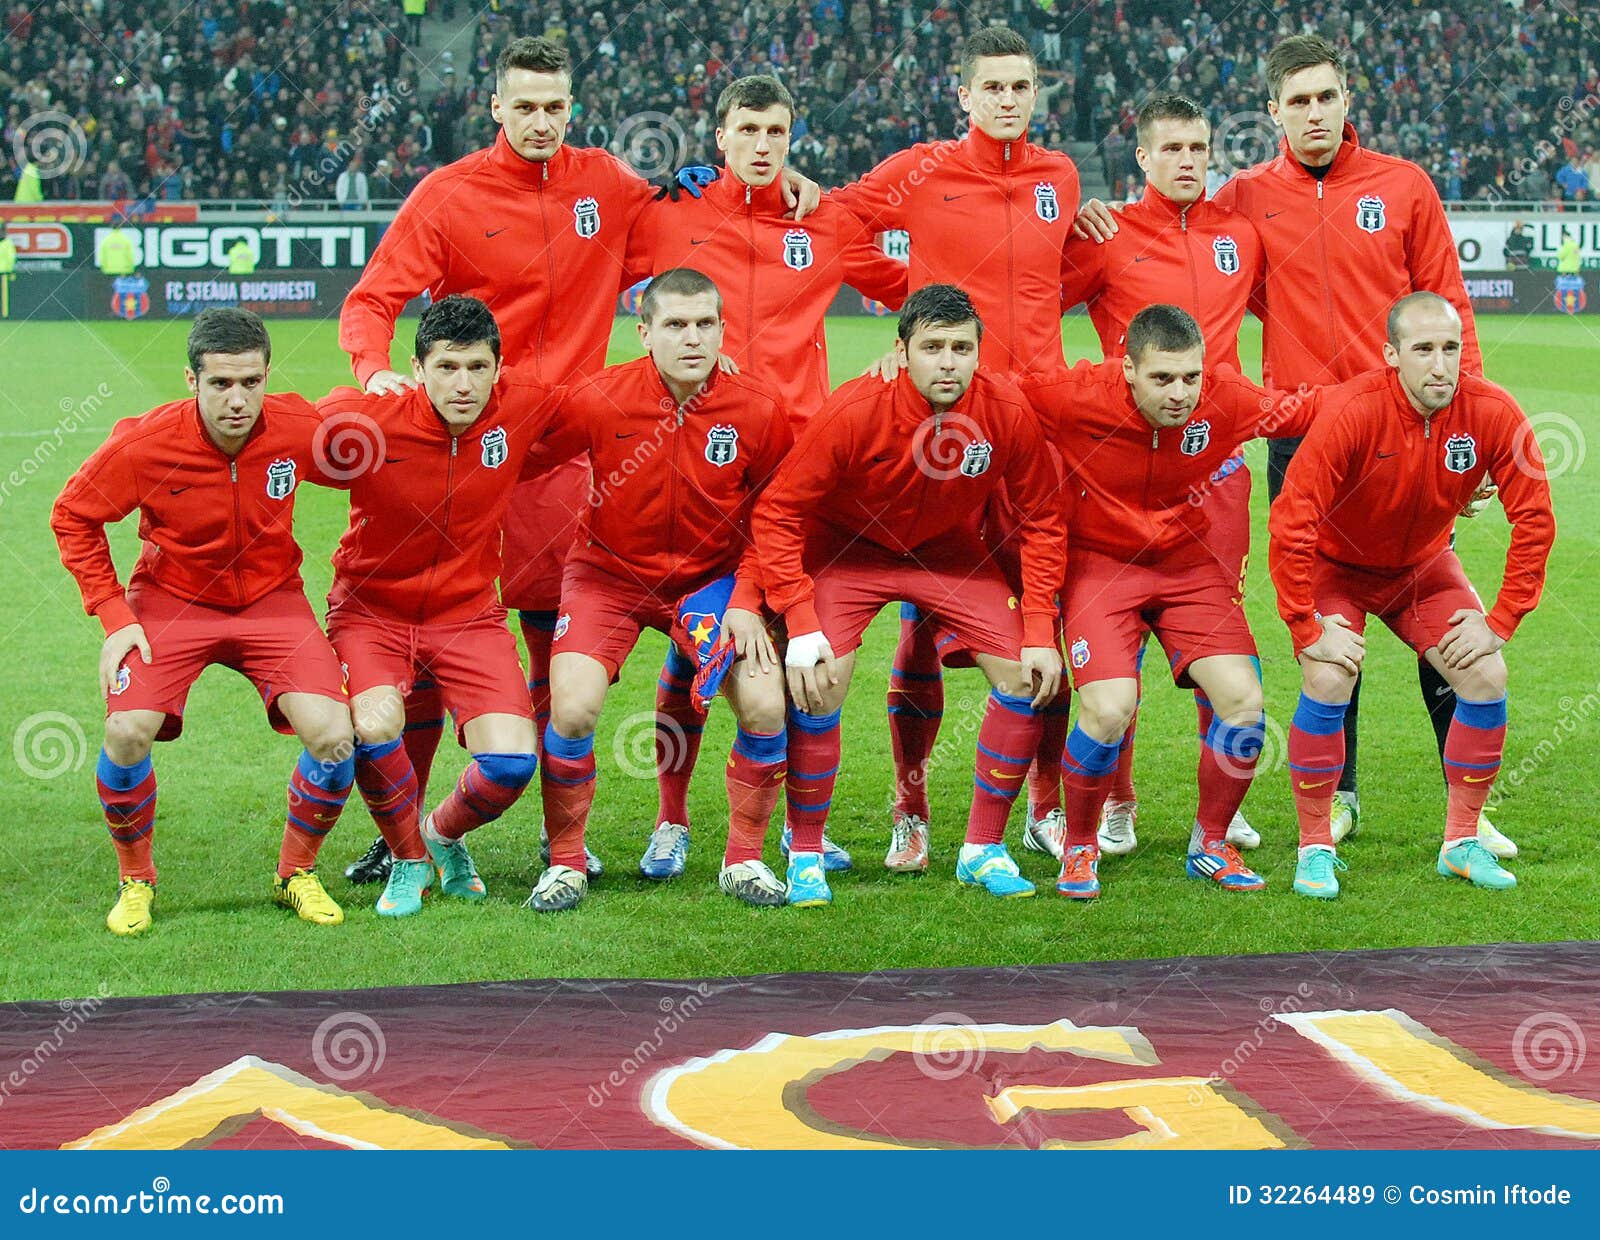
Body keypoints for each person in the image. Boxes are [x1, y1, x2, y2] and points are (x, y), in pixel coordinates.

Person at [337, 36, 817, 887]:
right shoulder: (447, 196)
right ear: (495, 108)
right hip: (475, 452)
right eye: (523, 106)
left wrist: (778, 190)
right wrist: (375, 372)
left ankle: (559, 833)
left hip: (577, 454)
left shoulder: (606, 184)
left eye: (555, 106)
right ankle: (401, 830)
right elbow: (372, 300)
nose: (540, 122)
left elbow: (690, 215)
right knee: (433, 638)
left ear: (573, 107)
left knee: (545, 659)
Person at [1079, 35, 1498, 856]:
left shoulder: (1403, 187)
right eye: (1297, 101)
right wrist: (1100, 222)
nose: (1314, 113)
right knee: (1328, 615)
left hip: (1408, 428)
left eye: (1326, 97)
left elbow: (1449, 306)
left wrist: (1467, 425)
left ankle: (1469, 810)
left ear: (1348, 102)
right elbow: (1212, 282)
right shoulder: (1242, 201)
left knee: (1430, 606)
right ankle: (1336, 795)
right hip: (1304, 436)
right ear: (1272, 112)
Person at [622, 73, 907, 879]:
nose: (762, 145)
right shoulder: (669, 215)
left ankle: (793, 827)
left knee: (802, 646)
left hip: (799, 470)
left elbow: (918, 291)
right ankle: (671, 821)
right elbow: (584, 258)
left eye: (776, 132)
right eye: (747, 130)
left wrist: (909, 344)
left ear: (791, 137)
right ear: (720, 138)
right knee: (692, 646)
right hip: (696, 466)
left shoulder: (826, 221)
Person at [827, 25, 1082, 871]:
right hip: (944, 430)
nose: (1008, 100)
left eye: (1022, 86)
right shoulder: (921, 168)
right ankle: (912, 808)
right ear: (963, 94)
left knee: (1047, 617)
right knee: (920, 623)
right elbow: (836, 223)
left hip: (1036, 431)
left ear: (1035, 93)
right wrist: (905, 303)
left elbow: (1059, 276)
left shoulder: (1060, 176)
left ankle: (1044, 805)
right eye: (993, 87)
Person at [752, 283, 1066, 907]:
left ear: (979, 353)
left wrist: (1038, 628)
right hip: (850, 552)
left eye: (960, 347)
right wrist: (798, 610)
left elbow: (1043, 520)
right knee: (819, 676)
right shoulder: (854, 410)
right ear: (901, 351)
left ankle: (983, 848)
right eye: (931, 347)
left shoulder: (1004, 409)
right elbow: (778, 512)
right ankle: (806, 848)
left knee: (1028, 675)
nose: (947, 361)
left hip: (946, 554)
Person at [51, 309, 356, 935]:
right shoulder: (144, 444)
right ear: (191, 379)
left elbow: (369, 448)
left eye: (250, 381)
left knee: (335, 737)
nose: (237, 399)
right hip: (171, 602)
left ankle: (294, 873)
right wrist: (114, 616)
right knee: (128, 732)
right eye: (220, 384)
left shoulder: (299, 426)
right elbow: (72, 516)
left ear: (268, 373)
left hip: (273, 600)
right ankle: (136, 879)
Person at [1021, 306, 1321, 898]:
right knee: (1109, 708)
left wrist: (1404, 389)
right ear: (1127, 368)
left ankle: (1210, 842)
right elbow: (990, 399)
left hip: (1190, 571)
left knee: (1245, 702)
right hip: (1102, 571)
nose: (1180, 393)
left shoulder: (1228, 397)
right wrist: (897, 371)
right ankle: (1079, 846)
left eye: (1191, 377)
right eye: (1162, 379)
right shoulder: (1072, 394)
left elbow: (1313, 407)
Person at [1269, 293, 1555, 899]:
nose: (1440, 365)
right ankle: (1314, 847)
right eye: (1423, 349)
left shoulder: (1493, 412)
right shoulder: (1352, 409)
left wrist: (1502, 620)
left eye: (1450, 348)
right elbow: (1292, 522)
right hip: (1336, 567)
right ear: (1391, 354)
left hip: (1422, 568)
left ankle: (1462, 841)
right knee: (1327, 678)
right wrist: (1305, 628)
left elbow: (1535, 518)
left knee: (1484, 674)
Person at [529, 269, 794, 911]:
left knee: (764, 706)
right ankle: (565, 862)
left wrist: (746, 600)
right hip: (609, 575)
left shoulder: (757, 407)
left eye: (706, 324)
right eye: (675, 325)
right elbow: (517, 450)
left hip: (711, 580)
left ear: (724, 330)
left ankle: (743, 861)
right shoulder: (598, 396)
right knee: (572, 709)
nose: (692, 338)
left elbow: (778, 514)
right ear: (643, 332)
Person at [1056, 92, 1265, 859]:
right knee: (1125, 646)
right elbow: (1032, 306)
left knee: (1222, 632)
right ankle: (1118, 800)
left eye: (1199, 148)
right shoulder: (1110, 236)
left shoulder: (1240, 235)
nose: (1187, 162)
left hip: (1221, 471)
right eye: (1172, 149)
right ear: (1142, 157)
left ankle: (1223, 810)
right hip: (1125, 475)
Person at [318, 295, 564, 919]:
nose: (464, 384)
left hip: (468, 615)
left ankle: (439, 833)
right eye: (448, 367)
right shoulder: (366, 420)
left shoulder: (525, 409)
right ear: (417, 368)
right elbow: (275, 440)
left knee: (511, 763)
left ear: (498, 368)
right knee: (373, 728)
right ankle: (406, 858)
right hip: (370, 611)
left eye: (478, 368)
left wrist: (692, 371)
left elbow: (621, 405)